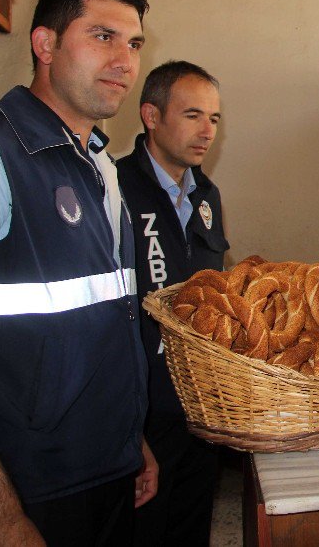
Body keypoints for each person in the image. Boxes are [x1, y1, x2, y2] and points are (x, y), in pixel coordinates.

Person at [0, 0, 157, 545]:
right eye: (102, 36)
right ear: (44, 43)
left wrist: (133, 440)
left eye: (134, 43)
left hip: (107, 469)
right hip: (26, 484)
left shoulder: (100, 163)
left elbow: (105, 320)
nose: (125, 61)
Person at [116, 60, 228, 545]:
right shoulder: (116, 188)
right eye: (192, 115)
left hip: (199, 407)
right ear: (151, 116)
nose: (207, 131)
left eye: (215, 119)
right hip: (143, 411)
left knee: (191, 527)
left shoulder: (207, 195)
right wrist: (129, 427)